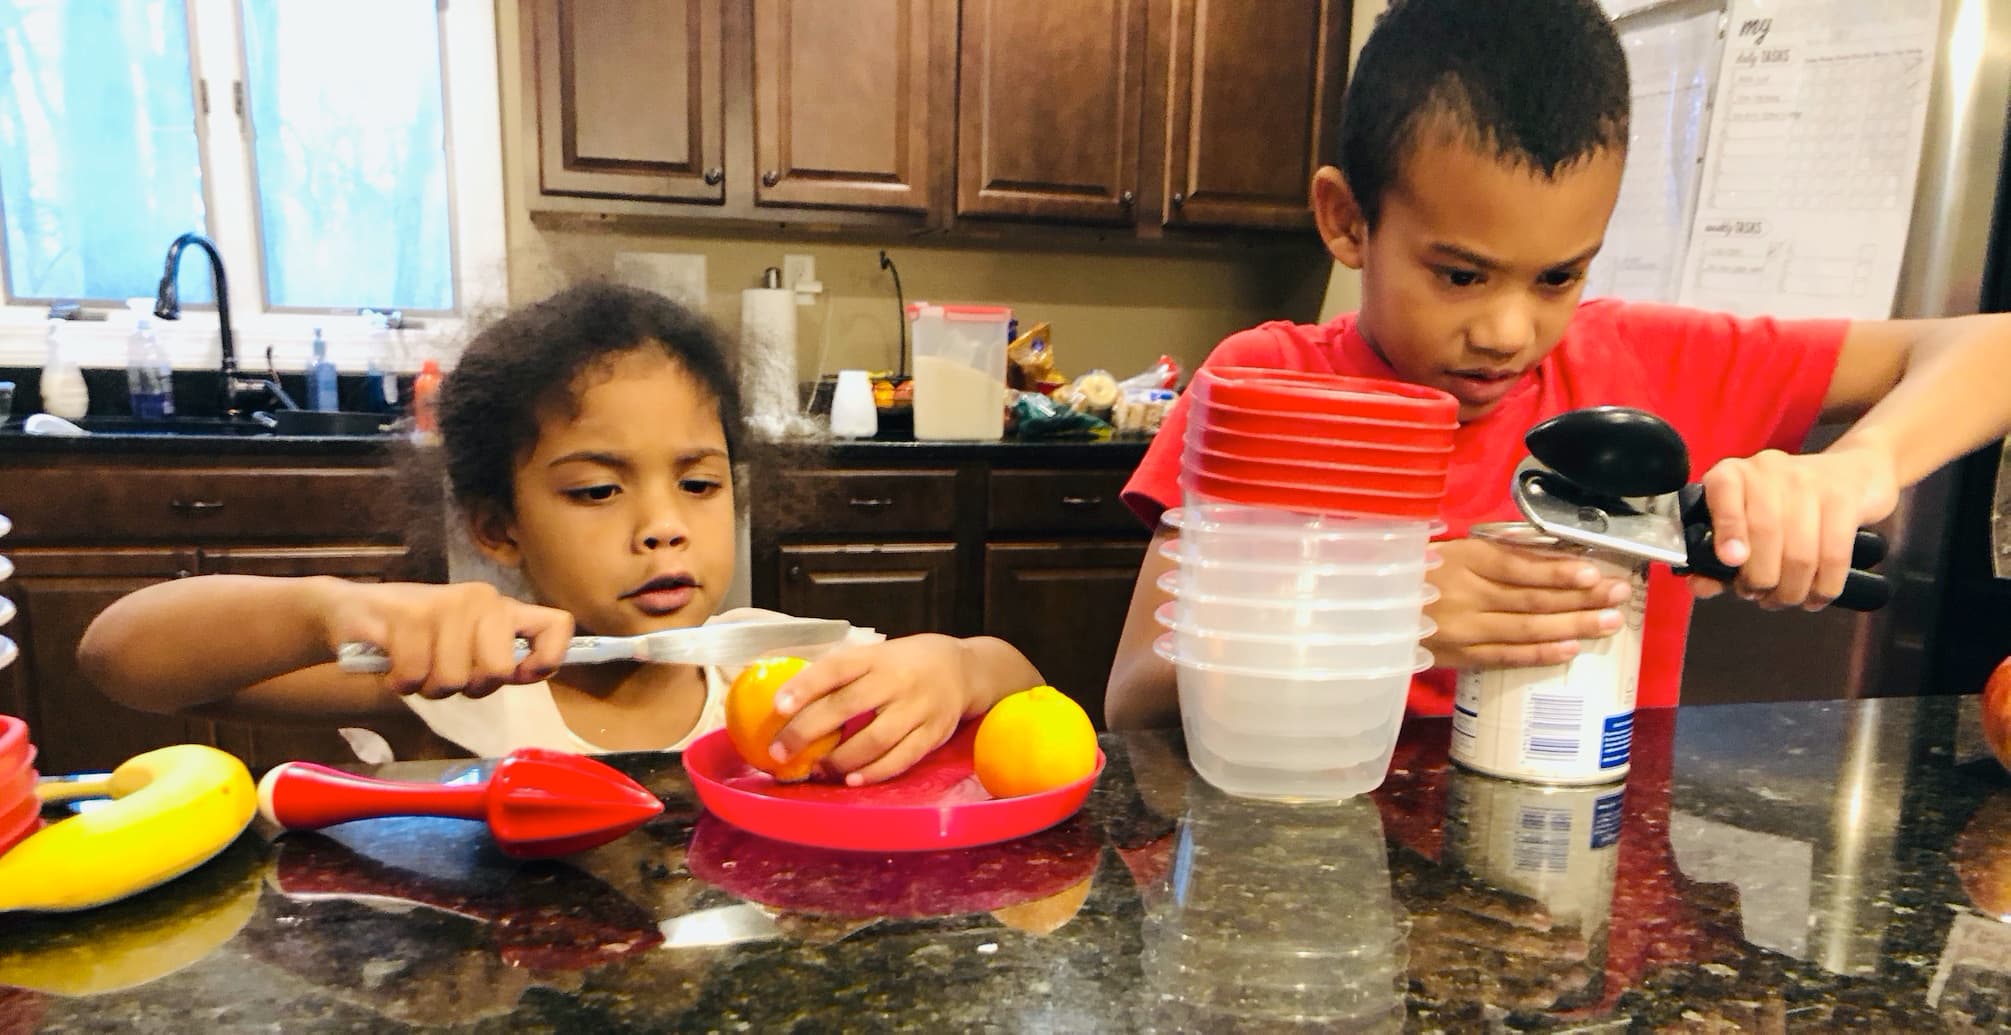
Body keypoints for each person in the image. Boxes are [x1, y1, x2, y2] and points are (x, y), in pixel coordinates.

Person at [1105, 0, 2011, 729]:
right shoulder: (1264, 388)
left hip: (1588, 883)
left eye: (1557, 275)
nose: (1507, 329)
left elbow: (1991, 346)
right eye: (1459, 274)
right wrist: (1367, 609)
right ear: (1347, 220)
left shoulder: (1648, 362)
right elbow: (1136, 693)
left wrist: (1855, 468)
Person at [79, 283, 1042, 783]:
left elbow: (1014, 675)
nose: (665, 528)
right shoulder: (453, 693)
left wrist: (953, 665)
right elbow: (122, 658)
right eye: (594, 492)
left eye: (700, 483)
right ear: (497, 524)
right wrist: (332, 608)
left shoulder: (777, 674)